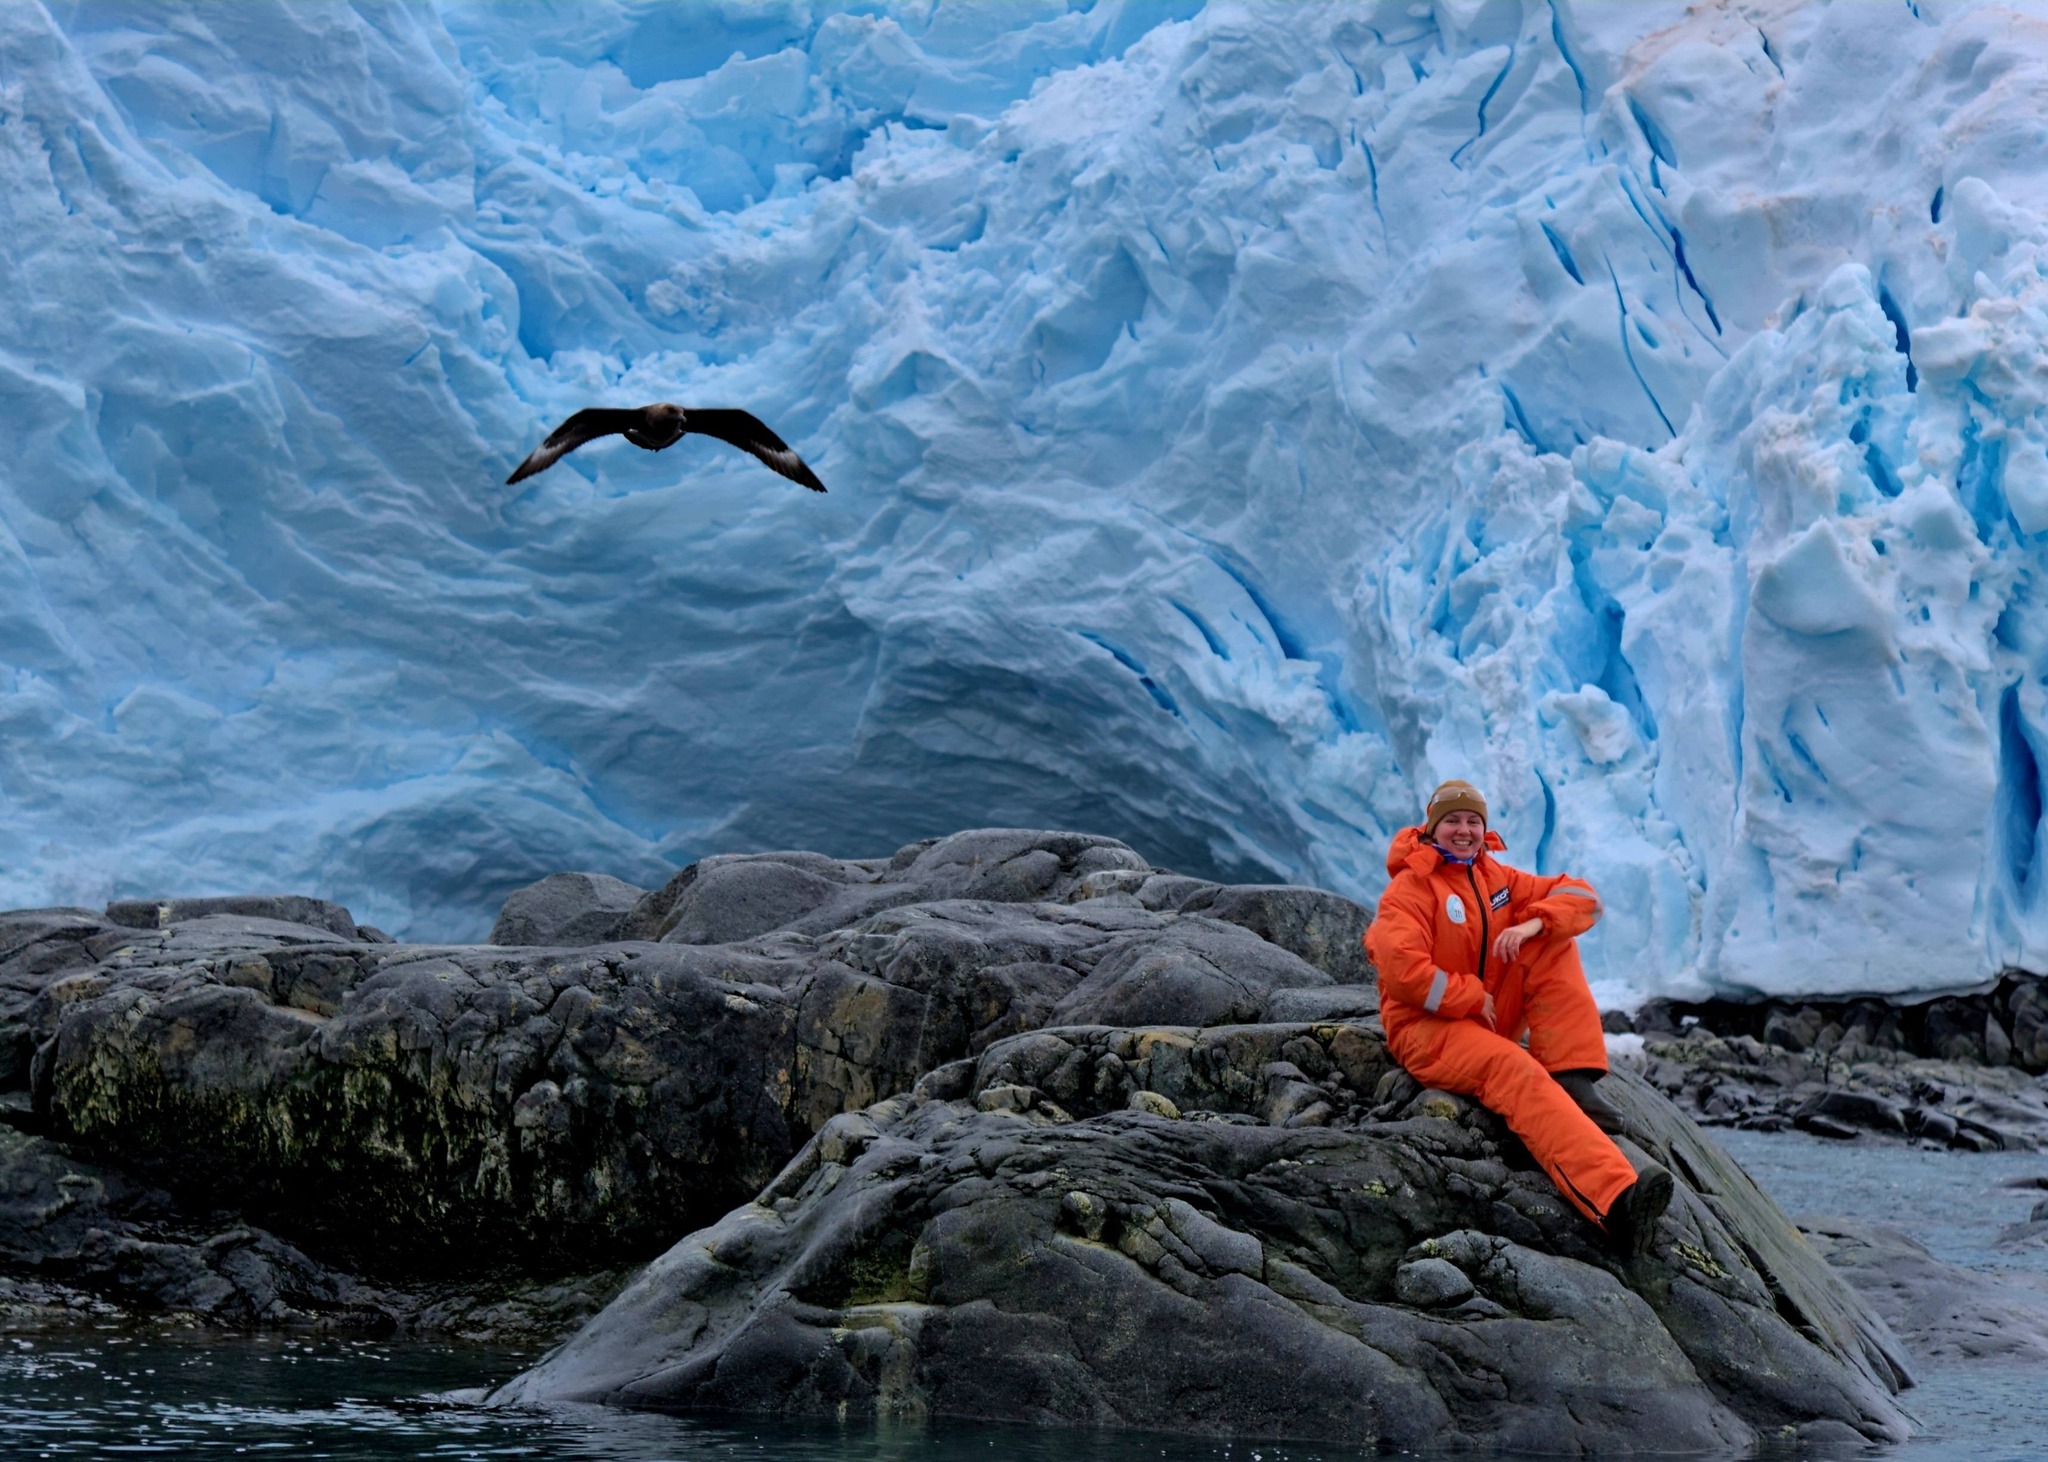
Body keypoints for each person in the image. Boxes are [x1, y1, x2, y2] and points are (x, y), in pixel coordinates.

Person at [1364, 779, 1672, 1255]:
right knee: (1514, 1069)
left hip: (1487, 1017)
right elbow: (1401, 970)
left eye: (1473, 821)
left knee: (1553, 940)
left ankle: (1570, 1076)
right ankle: (1615, 1202)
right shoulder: (1411, 888)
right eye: (1452, 820)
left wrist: (1534, 922)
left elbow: (1583, 898)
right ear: (1431, 828)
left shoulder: (1498, 880)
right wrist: (1470, 997)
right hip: (1426, 1028)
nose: (1463, 830)